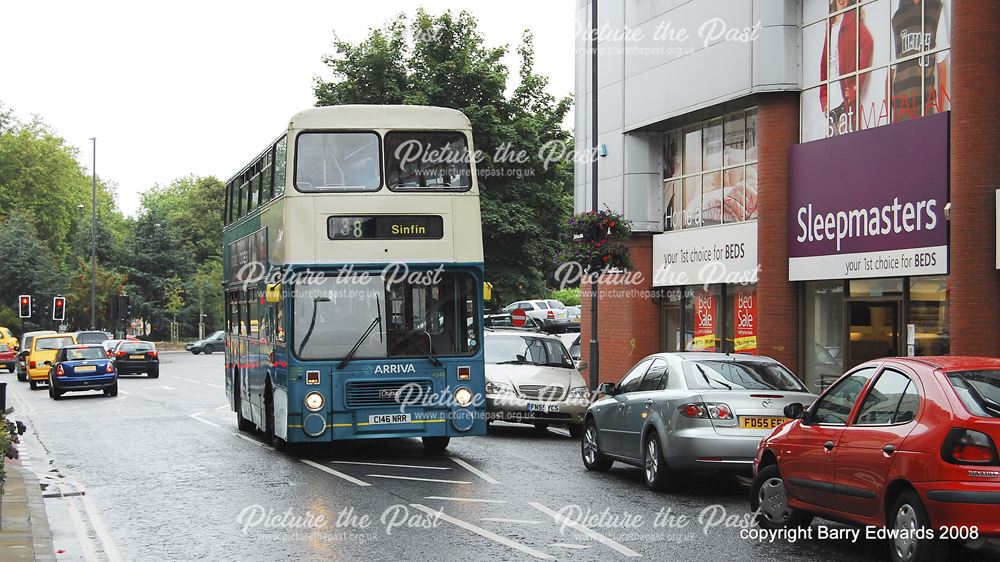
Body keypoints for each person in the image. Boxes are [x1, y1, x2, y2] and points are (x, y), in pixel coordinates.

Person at [820, 0, 874, 135]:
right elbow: (824, 66)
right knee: (832, 148)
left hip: (844, 99)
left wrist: (855, 86)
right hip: (831, 101)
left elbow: (868, 43)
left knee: (845, 144)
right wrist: (824, 98)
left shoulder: (852, 21)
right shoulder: (831, 26)